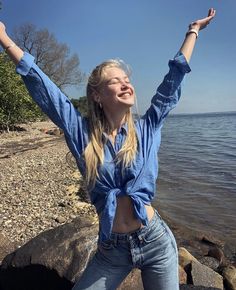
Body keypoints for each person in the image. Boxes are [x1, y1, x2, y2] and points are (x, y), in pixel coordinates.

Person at [0, 8, 216, 290]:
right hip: (111, 251)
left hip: (155, 242)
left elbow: (172, 81)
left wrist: (193, 31)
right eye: (115, 80)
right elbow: (45, 88)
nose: (125, 83)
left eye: (126, 79)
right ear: (97, 95)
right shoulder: (81, 135)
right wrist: (4, 39)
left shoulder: (147, 129)